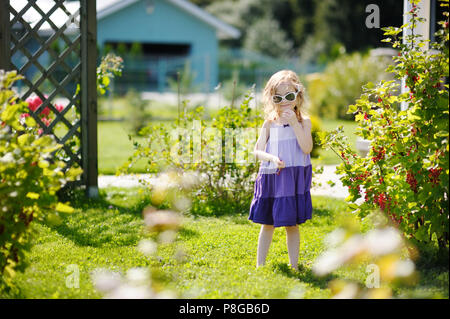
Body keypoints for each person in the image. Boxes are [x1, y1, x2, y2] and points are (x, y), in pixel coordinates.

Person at [248, 69, 313, 271]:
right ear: (272, 99)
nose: (284, 101)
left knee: (291, 224)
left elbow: (306, 148)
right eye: (278, 98)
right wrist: (271, 158)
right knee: (267, 223)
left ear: (298, 95)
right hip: (273, 177)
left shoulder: (304, 122)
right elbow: (257, 151)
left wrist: (294, 123)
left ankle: (294, 265)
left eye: (289, 96)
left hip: (292, 178)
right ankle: (260, 265)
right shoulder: (269, 123)